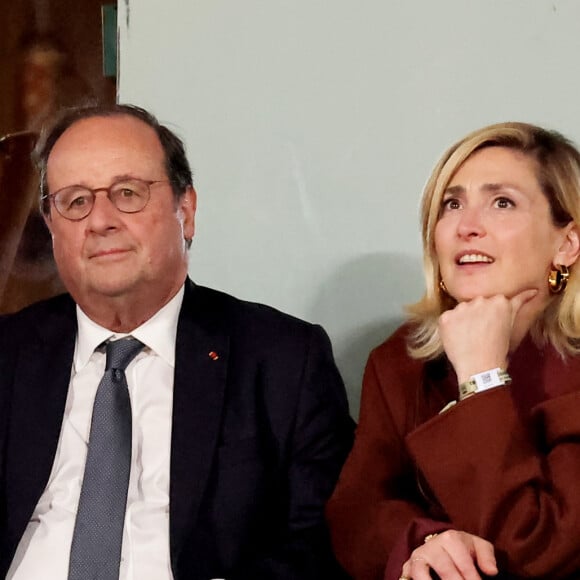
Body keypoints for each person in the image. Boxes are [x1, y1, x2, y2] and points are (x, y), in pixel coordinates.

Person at [0, 103, 354, 580]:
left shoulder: (282, 360)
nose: (100, 220)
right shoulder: (8, 355)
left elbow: (324, 542)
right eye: (76, 201)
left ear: (185, 212)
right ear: (51, 225)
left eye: (127, 193)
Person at [326, 122, 580, 580]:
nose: (466, 227)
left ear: (567, 243)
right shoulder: (401, 359)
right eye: (452, 204)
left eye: (502, 203)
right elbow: (355, 517)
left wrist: (481, 377)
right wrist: (424, 542)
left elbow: (543, 552)